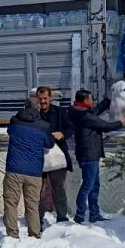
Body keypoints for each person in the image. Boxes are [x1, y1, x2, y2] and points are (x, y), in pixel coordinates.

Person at [70, 89, 124, 224]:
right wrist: (121, 122)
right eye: (91, 99)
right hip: (89, 155)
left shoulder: (79, 112)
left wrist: (107, 100)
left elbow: (95, 111)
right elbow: (105, 126)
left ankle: (94, 213)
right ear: (85, 100)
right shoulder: (85, 116)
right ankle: (80, 215)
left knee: (94, 185)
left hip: (87, 154)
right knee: (88, 186)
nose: (92, 101)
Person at [1, 106, 53, 239]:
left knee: (11, 203)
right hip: (34, 173)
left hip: (14, 170)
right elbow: (49, 144)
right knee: (32, 206)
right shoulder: (43, 126)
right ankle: (34, 234)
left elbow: (9, 130)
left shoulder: (15, 124)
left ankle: (12, 234)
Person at [34, 86, 74, 225]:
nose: (43, 101)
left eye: (45, 98)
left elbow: (70, 128)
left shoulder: (60, 112)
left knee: (59, 188)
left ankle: (62, 217)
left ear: (51, 98)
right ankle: (37, 219)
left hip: (57, 156)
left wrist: (62, 134)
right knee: (39, 190)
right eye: (40, 99)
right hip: (38, 157)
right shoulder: (34, 114)